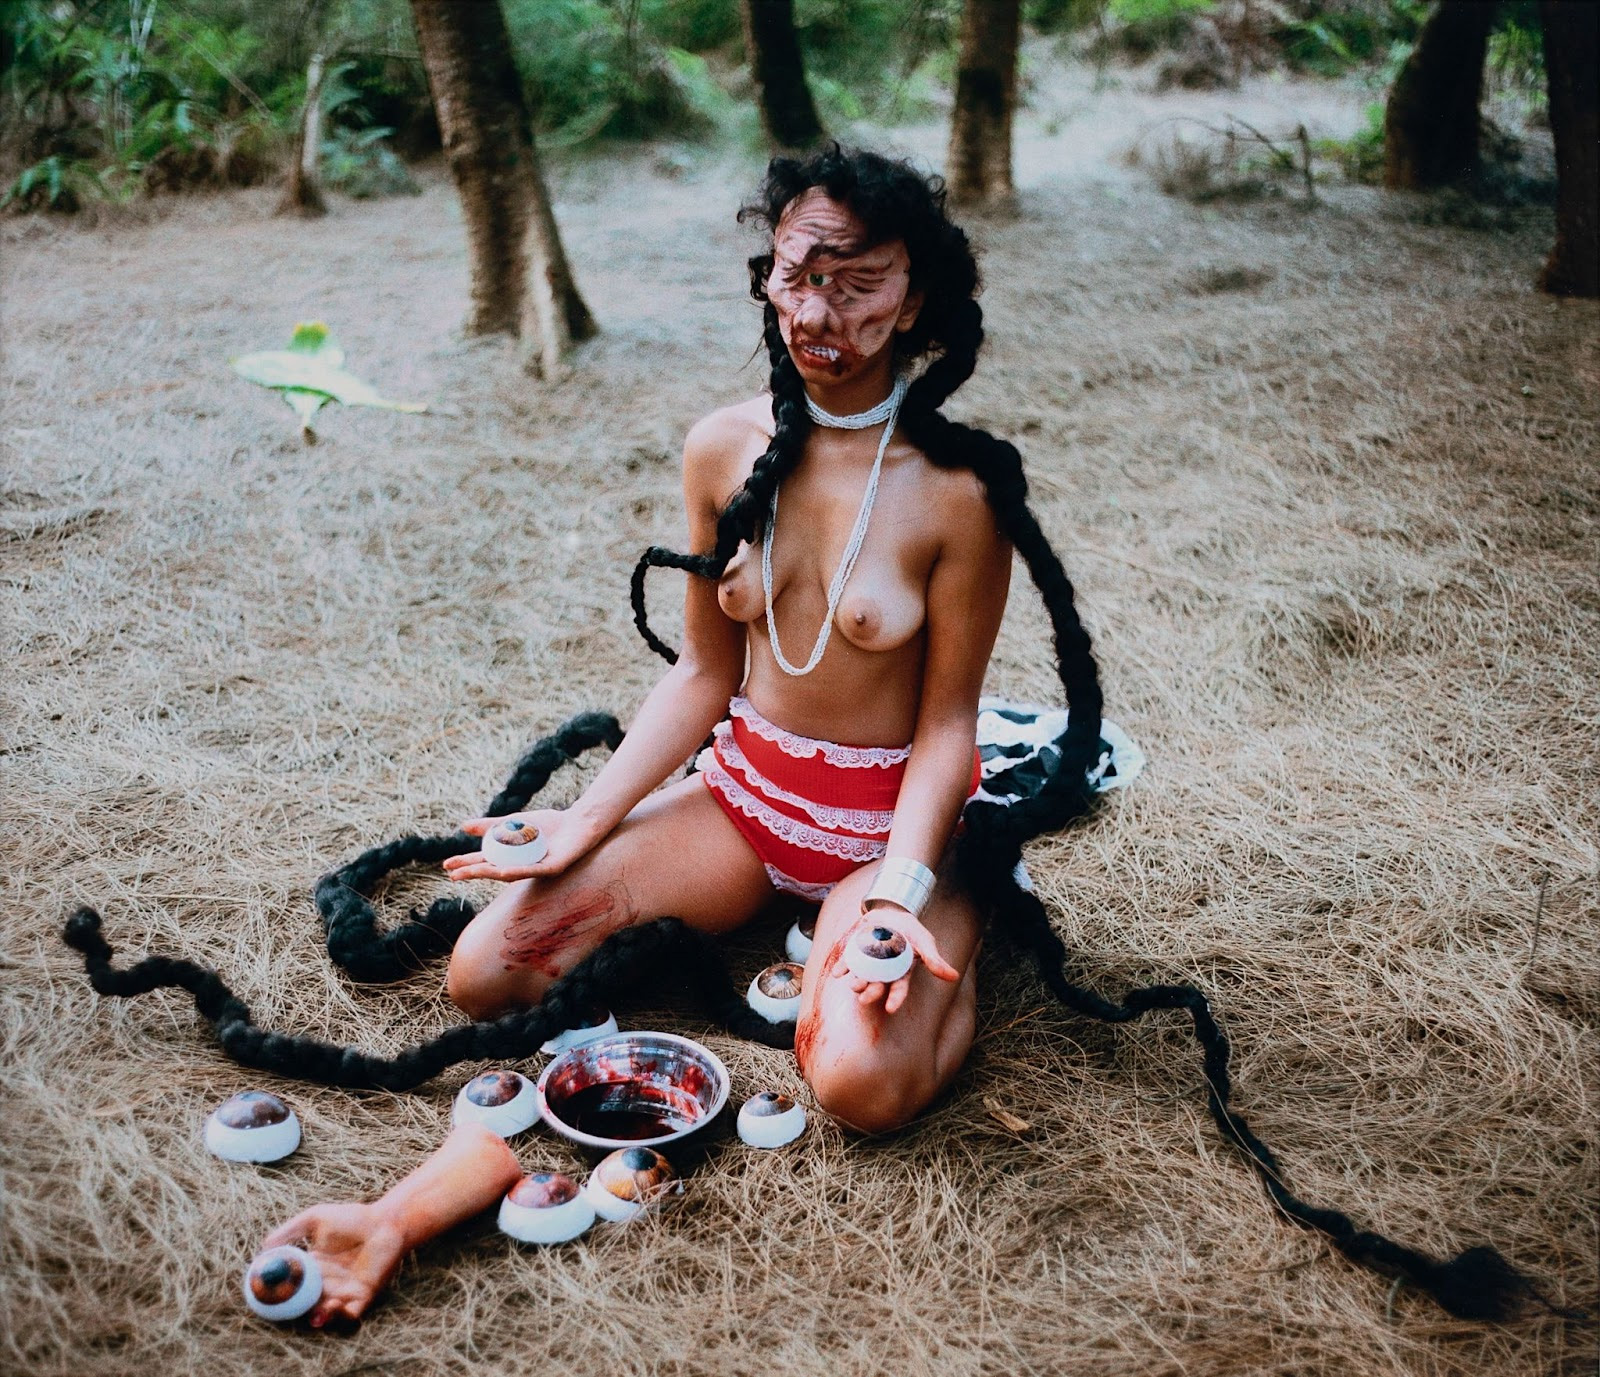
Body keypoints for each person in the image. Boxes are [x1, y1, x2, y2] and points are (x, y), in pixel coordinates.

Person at [259, 146, 1103, 1328]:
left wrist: (904, 892)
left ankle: (915, 939)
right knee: (483, 972)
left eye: (861, 284)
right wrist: (584, 823)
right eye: (800, 276)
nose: (824, 312)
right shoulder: (723, 448)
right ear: (768, 280)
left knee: (860, 1085)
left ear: (915, 300)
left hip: (889, 835)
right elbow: (707, 673)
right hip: (746, 805)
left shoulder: (959, 493)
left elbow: (950, 727)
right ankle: (770, 928)